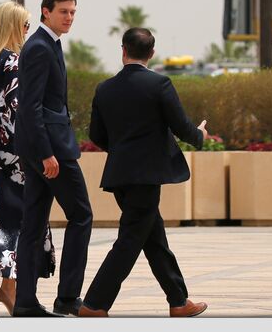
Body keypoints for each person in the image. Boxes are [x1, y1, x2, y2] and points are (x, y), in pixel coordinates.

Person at [79, 27, 208, 317]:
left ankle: (178, 300)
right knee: (130, 240)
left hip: (119, 175)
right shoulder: (159, 84)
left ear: (123, 50)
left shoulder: (104, 88)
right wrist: (200, 135)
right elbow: (181, 126)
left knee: (153, 238)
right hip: (147, 176)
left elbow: (96, 134)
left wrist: (121, 150)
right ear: (152, 53)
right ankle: (94, 304)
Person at [0, 1, 56, 317]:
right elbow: (21, 109)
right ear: (14, 26)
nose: (28, 30)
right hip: (17, 146)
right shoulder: (15, 62)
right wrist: (43, 148)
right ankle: (4, 285)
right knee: (24, 215)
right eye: (26, 25)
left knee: (9, 210)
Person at [13, 0, 93, 317]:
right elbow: (30, 106)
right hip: (50, 151)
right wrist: (46, 153)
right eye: (63, 11)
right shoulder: (39, 47)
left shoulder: (49, 44)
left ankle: (25, 302)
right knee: (81, 215)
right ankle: (68, 297)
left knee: (33, 225)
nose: (69, 17)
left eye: (73, 12)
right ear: (46, 12)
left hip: (43, 147)